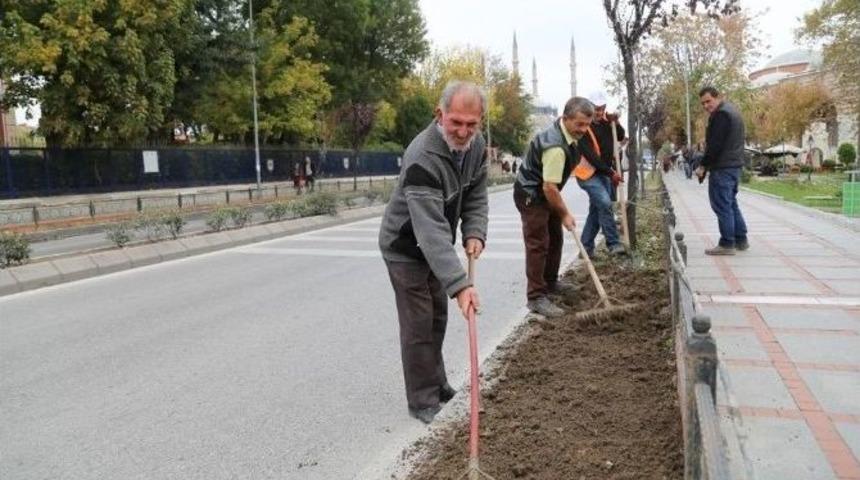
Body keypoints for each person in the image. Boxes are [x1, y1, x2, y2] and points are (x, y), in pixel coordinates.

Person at [378, 81, 488, 424]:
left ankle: (437, 384)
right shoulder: (422, 157)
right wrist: (460, 284)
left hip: (433, 246)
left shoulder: (476, 146)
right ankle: (422, 400)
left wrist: (474, 232)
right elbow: (430, 231)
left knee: (437, 317)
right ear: (439, 114)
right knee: (418, 325)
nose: (463, 131)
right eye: (456, 122)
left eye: (472, 124)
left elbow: (475, 195)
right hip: (405, 247)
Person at [514, 96, 593, 318]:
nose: (583, 129)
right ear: (565, 118)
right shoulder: (555, 146)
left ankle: (550, 283)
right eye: (579, 124)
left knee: (555, 239)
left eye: (587, 125)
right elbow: (549, 187)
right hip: (532, 195)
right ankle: (536, 297)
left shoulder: (568, 136)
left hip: (544, 192)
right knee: (538, 244)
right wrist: (565, 213)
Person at [697, 86, 748, 255]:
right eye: (703, 103)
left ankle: (727, 243)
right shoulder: (733, 111)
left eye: (708, 101)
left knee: (722, 205)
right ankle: (741, 239)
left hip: (723, 167)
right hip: (734, 165)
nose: (706, 106)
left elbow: (715, 145)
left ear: (717, 97)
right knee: (731, 203)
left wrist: (703, 165)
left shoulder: (721, 115)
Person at [575, 91, 626, 257]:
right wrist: (611, 173)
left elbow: (620, 135)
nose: (599, 112)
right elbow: (592, 157)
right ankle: (613, 243)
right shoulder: (583, 127)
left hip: (603, 173)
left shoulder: (606, 122)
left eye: (602, 109)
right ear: (589, 107)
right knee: (604, 203)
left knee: (597, 211)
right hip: (588, 175)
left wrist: (615, 122)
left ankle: (586, 248)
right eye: (596, 109)